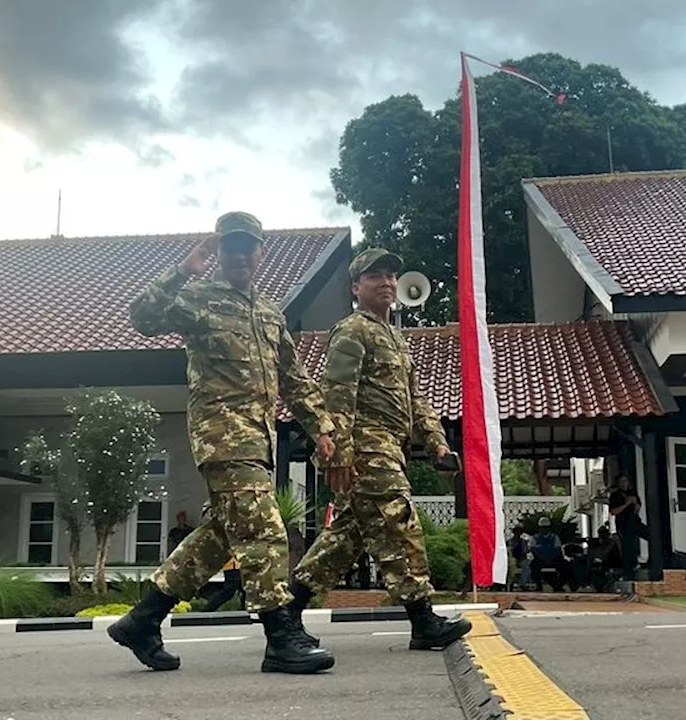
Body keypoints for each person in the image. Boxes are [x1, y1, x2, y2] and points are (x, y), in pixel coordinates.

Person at [109, 211, 337, 675]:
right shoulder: (197, 298)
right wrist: (182, 270)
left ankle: (143, 619)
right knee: (262, 529)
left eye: (247, 246)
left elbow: (293, 379)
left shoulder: (270, 313)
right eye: (230, 246)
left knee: (218, 536)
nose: (239, 255)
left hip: (259, 440)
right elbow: (142, 317)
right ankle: (279, 636)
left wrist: (323, 428)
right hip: (221, 436)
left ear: (260, 253)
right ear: (220, 252)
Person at [287, 247, 472, 652]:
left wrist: (437, 442)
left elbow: (415, 399)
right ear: (356, 287)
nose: (386, 282)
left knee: (346, 539)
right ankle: (423, 620)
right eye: (375, 277)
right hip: (366, 445)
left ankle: (287, 610)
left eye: (390, 275)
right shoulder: (352, 330)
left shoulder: (394, 338)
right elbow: (337, 397)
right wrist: (337, 456)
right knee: (399, 521)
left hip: (391, 444)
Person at [608, 474, 643, 575]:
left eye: (625, 481)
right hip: (623, 524)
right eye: (621, 482)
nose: (624, 484)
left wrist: (635, 503)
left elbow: (637, 509)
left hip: (635, 521)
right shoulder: (615, 496)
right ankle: (629, 568)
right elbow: (614, 511)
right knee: (628, 546)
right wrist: (627, 504)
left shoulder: (632, 493)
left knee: (650, 535)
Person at [529, 517, 570, 592]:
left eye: (546, 527)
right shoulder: (535, 538)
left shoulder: (555, 537)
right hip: (540, 560)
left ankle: (559, 585)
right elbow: (533, 550)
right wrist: (542, 558)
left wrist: (551, 559)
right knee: (533, 566)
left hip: (553, 559)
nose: (544, 529)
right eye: (542, 527)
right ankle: (538, 585)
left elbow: (558, 549)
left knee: (566, 566)